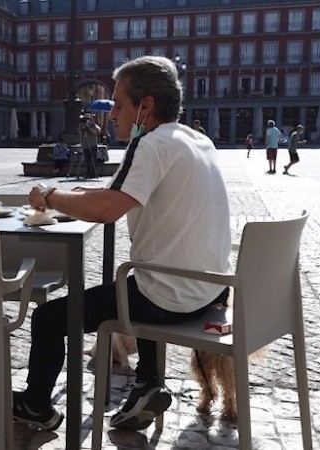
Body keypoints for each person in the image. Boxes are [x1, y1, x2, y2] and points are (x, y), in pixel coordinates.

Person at [13, 55, 232, 433]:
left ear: (145, 105)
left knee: (48, 318)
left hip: (168, 297)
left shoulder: (149, 143)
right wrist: (82, 193)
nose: (112, 114)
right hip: (211, 290)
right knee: (141, 275)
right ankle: (148, 383)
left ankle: (35, 406)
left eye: (118, 104)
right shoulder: (196, 140)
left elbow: (107, 210)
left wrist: (50, 195)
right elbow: (124, 191)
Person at [78, 112, 101, 178]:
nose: (87, 120)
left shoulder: (92, 124)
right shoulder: (82, 124)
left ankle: (94, 173)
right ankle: (88, 173)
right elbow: (80, 133)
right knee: (87, 160)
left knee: (93, 159)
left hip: (92, 144)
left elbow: (95, 133)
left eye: (88, 118)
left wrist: (88, 127)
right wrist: (81, 126)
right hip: (85, 144)